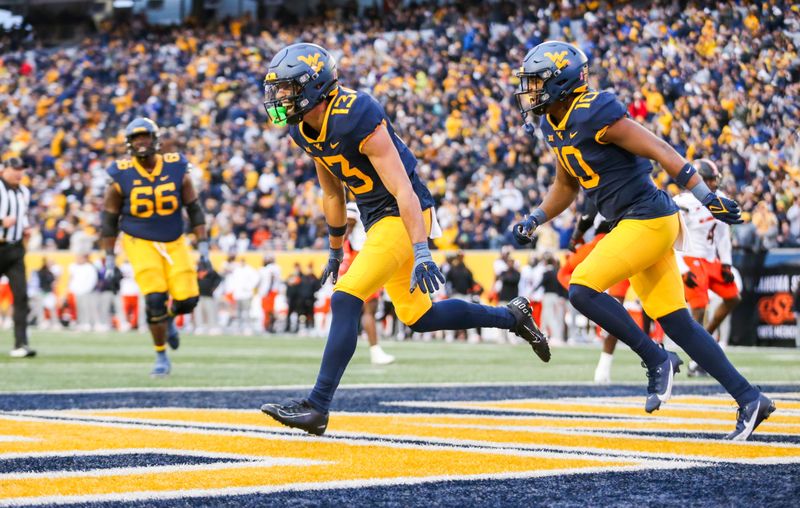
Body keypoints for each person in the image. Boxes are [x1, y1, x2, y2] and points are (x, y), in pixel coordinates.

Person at [259, 43, 548, 436]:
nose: (279, 98)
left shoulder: (356, 113)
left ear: (315, 86)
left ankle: (318, 405)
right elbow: (331, 192)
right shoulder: (302, 128)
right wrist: (333, 245)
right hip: (375, 218)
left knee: (346, 297)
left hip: (404, 211)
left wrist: (421, 248)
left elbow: (402, 188)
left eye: (288, 89)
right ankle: (513, 316)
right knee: (420, 317)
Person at [512, 41, 773, 440]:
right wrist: (536, 217)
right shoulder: (554, 122)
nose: (530, 92)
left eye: (537, 82)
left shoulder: (595, 111)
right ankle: (749, 398)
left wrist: (705, 194)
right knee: (678, 323)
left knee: (581, 288)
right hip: (633, 223)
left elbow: (661, 149)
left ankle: (655, 359)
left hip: (648, 219)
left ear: (561, 81)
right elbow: (565, 184)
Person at [101, 117, 209, 377]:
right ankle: (160, 354)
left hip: (174, 239)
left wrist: (204, 247)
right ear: (128, 143)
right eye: (136, 138)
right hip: (139, 240)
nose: (141, 142)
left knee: (187, 300)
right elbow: (108, 220)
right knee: (155, 298)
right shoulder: (119, 173)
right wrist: (108, 259)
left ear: (155, 139)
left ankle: (170, 318)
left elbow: (194, 209)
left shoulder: (176, 167)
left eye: (145, 136)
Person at [674, 159, 741, 376]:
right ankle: (698, 358)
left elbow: (723, 236)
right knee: (699, 306)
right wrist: (683, 269)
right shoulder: (683, 202)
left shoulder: (719, 199)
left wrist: (726, 264)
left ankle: (706, 339)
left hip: (711, 259)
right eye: (710, 179)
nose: (714, 183)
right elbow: (672, 238)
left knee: (733, 298)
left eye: (714, 178)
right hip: (691, 257)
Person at [341, 201, 395, 364]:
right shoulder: (357, 204)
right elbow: (347, 226)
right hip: (362, 258)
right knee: (368, 308)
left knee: (359, 309)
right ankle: (375, 350)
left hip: (365, 257)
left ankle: (342, 350)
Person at [0, 156, 34, 358]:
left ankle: (21, 343)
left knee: (21, 296)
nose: (19, 173)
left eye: (22, 169)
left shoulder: (24, 191)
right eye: (16, 169)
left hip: (15, 249)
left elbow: (23, 216)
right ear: (5, 170)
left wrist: (26, 227)